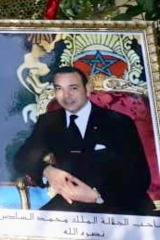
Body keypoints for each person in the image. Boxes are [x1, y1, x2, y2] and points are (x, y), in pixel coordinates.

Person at [14, 65, 154, 215]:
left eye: (73, 88)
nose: (66, 95)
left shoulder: (119, 122)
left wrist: (97, 196)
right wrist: (47, 171)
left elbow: (140, 177)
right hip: (71, 204)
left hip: (121, 202)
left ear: (87, 89)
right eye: (59, 89)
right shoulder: (49, 122)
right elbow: (23, 157)